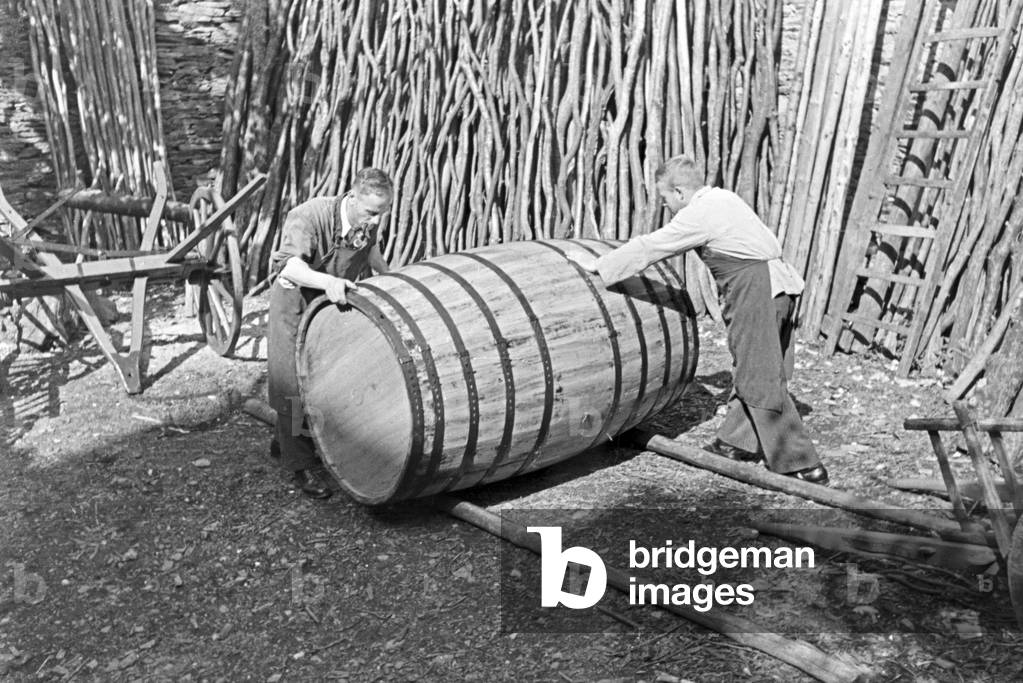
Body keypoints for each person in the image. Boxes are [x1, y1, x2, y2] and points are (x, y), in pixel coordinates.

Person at [573, 155, 828, 485]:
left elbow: (652, 247)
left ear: (680, 192)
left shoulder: (698, 213)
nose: (665, 205)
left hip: (756, 288)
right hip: (780, 287)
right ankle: (735, 442)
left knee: (759, 376)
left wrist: (601, 265)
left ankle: (802, 463)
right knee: (757, 366)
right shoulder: (724, 198)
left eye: (665, 197)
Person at [267, 168, 394, 498]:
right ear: (352, 197)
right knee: (293, 383)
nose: (375, 220)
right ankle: (301, 467)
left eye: (382, 213)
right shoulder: (309, 216)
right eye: (370, 212)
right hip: (295, 303)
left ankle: (285, 441)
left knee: (327, 378)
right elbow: (289, 266)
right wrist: (329, 282)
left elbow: (372, 253)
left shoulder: (367, 222)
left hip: (329, 305)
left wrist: (391, 279)